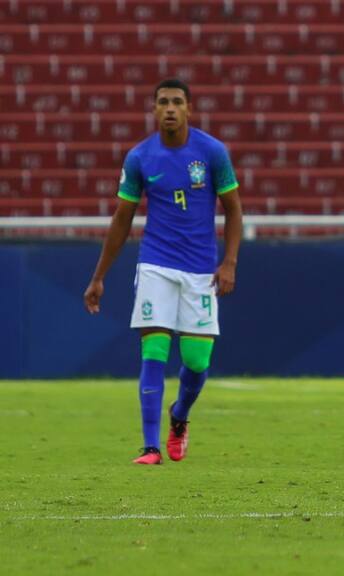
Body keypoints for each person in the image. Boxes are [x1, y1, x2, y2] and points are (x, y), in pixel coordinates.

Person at [84, 78, 243, 465]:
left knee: (196, 361)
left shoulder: (211, 153)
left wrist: (229, 262)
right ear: (154, 110)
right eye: (162, 103)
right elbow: (122, 219)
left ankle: (180, 416)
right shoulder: (140, 157)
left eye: (176, 102)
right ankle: (150, 447)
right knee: (154, 351)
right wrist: (99, 276)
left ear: (189, 108)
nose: (169, 108)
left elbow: (234, 210)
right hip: (155, 264)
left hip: (200, 270)